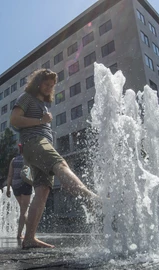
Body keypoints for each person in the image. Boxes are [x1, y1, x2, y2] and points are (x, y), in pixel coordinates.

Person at [10, 69, 99, 249]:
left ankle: (29, 239)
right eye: (46, 84)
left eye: (52, 86)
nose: (49, 88)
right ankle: (90, 199)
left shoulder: (43, 105)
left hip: (37, 146)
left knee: (42, 191)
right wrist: (41, 121)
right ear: (38, 83)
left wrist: (43, 121)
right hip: (34, 142)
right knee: (61, 164)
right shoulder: (26, 97)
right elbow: (14, 120)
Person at [6, 144, 32, 239]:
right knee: (24, 211)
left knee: (23, 209)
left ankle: (29, 231)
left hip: (15, 186)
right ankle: (20, 234)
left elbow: (10, 175)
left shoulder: (13, 160)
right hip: (25, 184)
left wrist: (8, 188)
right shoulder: (28, 159)